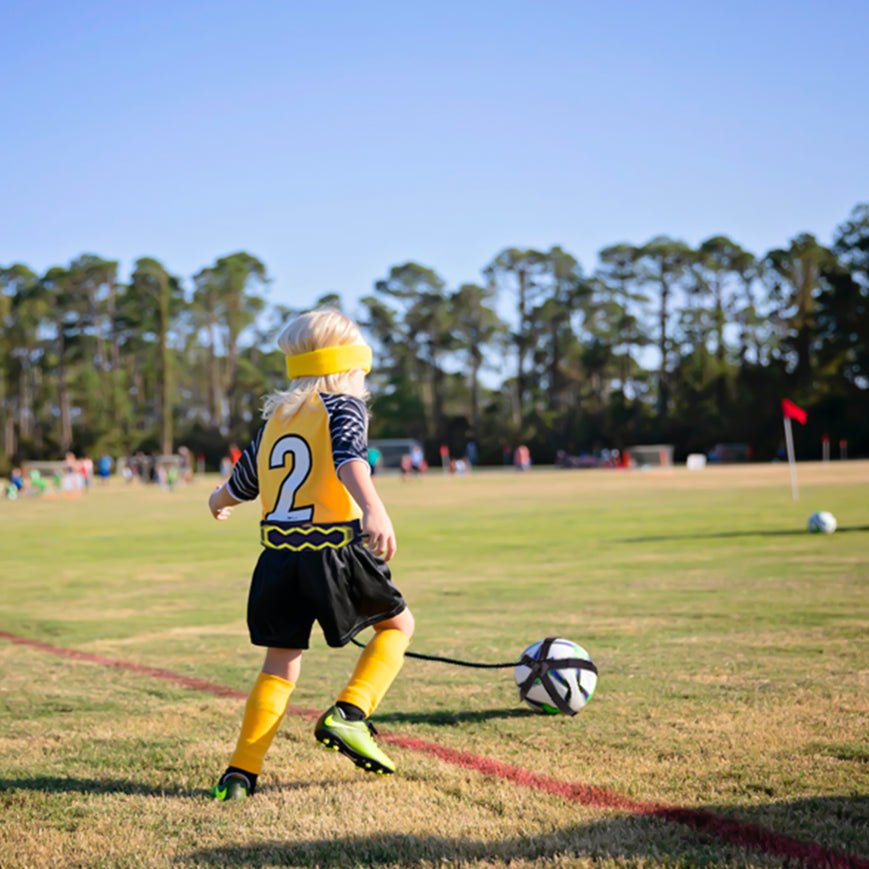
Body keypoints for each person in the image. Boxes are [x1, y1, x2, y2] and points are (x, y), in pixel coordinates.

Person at [207, 309, 414, 801]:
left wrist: (217, 500)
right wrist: (374, 509)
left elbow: (243, 483)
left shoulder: (277, 417)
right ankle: (350, 714)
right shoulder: (343, 405)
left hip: (277, 558)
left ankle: (239, 774)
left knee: (280, 664)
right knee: (398, 627)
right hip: (331, 549)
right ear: (349, 365)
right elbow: (349, 460)